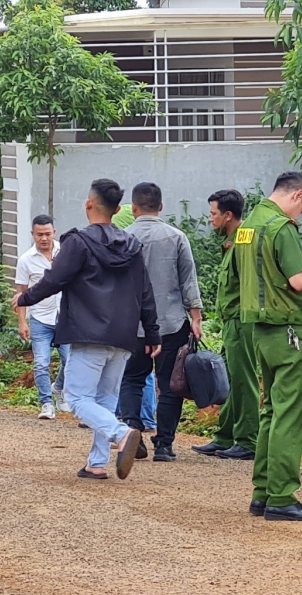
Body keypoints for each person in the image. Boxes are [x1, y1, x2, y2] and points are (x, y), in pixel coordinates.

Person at [13, 178, 160, 480]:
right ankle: (97, 463)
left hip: (88, 332)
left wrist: (24, 298)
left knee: (77, 399)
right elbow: (145, 291)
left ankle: (121, 434)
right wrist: (152, 332)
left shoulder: (78, 242)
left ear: (89, 203)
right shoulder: (132, 246)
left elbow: (54, 280)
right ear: (118, 209)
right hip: (123, 336)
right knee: (105, 400)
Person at [237, 172, 302, 521]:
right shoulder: (281, 228)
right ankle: (282, 496)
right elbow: (298, 281)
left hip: (260, 331)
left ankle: (263, 492)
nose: (299, 216)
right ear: (298, 195)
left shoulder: (249, 224)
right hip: (289, 331)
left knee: (270, 411)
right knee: (289, 415)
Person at [119, 182, 203, 461]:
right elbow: (188, 280)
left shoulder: (123, 238)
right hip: (171, 324)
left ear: (133, 208)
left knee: (131, 379)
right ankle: (164, 446)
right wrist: (196, 317)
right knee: (170, 385)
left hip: (133, 326)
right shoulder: (177, 237)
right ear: (161, 207)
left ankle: (132, 432)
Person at [192, 189, 258, 461]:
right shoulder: (232, 241)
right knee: (230, 380)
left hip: (243, 322)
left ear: (228, 215)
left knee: (244, 381)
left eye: (213, 214)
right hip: (232, 322)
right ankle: (225, 435)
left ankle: (248, 440)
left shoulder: (243, 240)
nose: (211, 220)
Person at [15, 215, 70, 419]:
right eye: (39, 234)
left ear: (54, 232)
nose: (44, 238)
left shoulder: (65, 253)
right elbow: (21, 293)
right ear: (33, 235)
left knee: (70, 360)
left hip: (65, 318)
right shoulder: (26, 260)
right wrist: (22, 321)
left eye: (47, 234)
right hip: (40, 318)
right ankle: (46, 403)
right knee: (41, 363)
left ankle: (60, 389)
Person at [112, 201, 157, 432]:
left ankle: (130, 421)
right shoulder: (171, 237)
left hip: (130, 320)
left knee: (130, 374)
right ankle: (147, 419)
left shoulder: (123, 240)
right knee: (146, 375)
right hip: (160, 319)